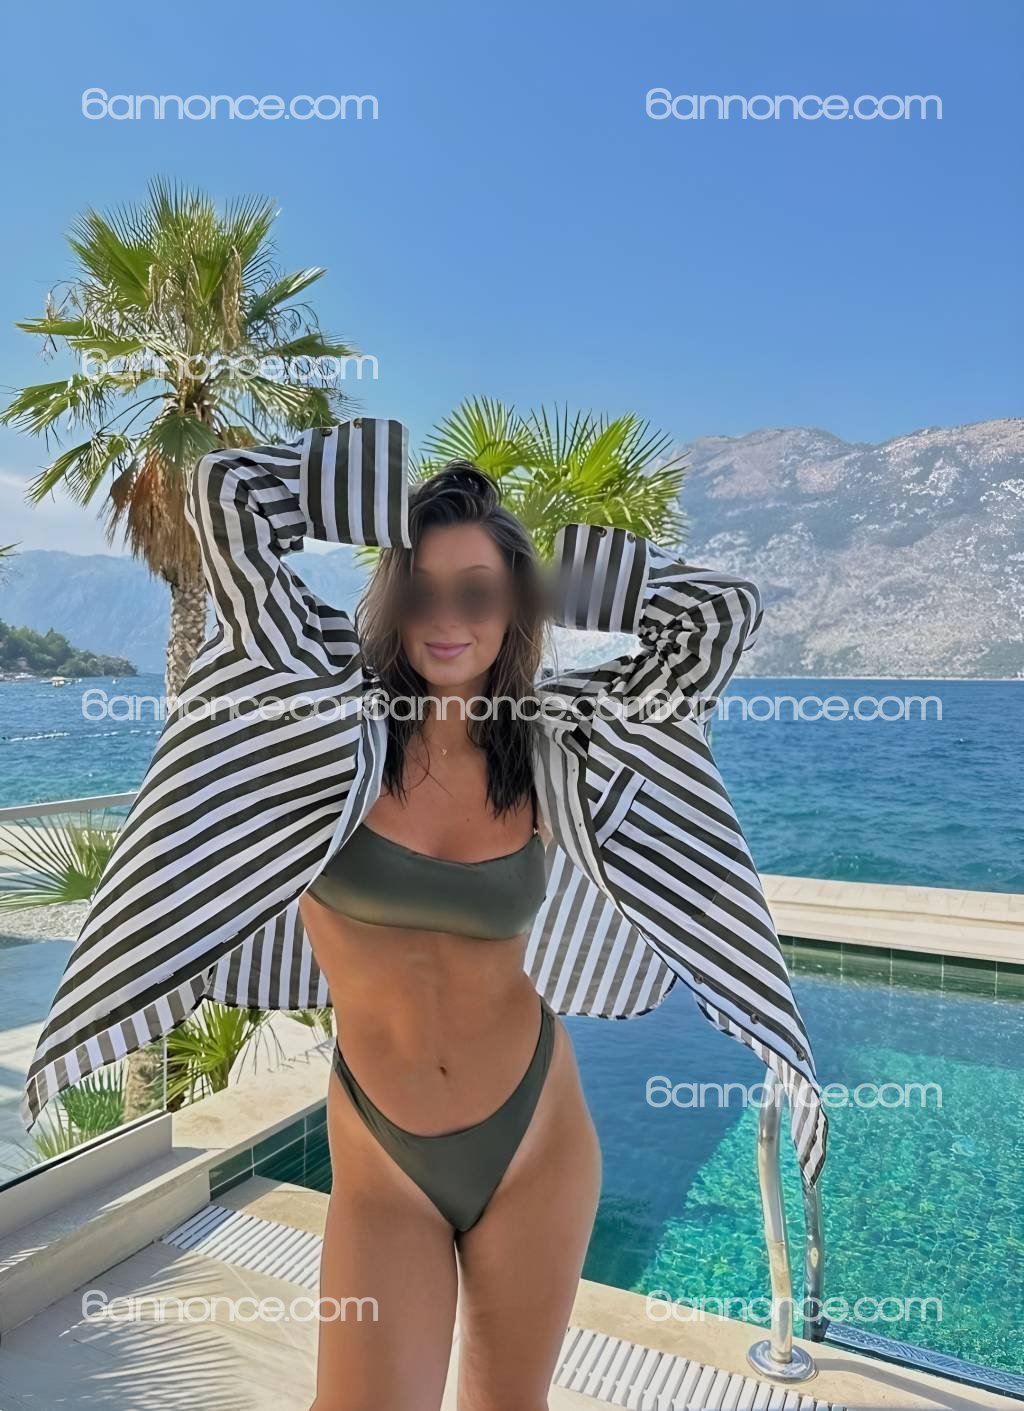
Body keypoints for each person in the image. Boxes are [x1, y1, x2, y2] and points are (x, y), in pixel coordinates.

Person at [20, 417, 826, 1411]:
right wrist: (373, 491)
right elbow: (225, 495)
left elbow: (720, 613)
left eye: (479, 593)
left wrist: (562, 576)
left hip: (537, 1131)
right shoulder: (321, 715)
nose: (449, 617)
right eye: (424, 588)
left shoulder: (555, 744)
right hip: (384, 1149)